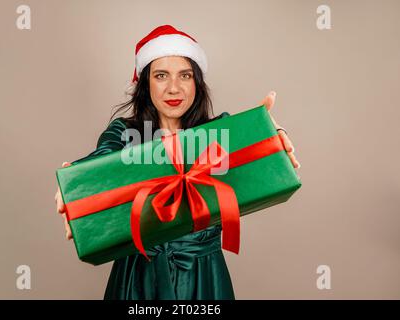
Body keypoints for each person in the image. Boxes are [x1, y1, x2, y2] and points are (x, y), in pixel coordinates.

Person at [54, 25, 300, 300]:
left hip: (204, 277)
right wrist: (74, 184)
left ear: (197, 82)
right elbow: (101, 158)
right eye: (161, 76)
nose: (174, 88)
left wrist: (269, 131)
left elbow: (254, 146)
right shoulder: (124, 133)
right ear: (145, 84)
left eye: (185, 75)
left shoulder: (220, 134)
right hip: (137, 280)